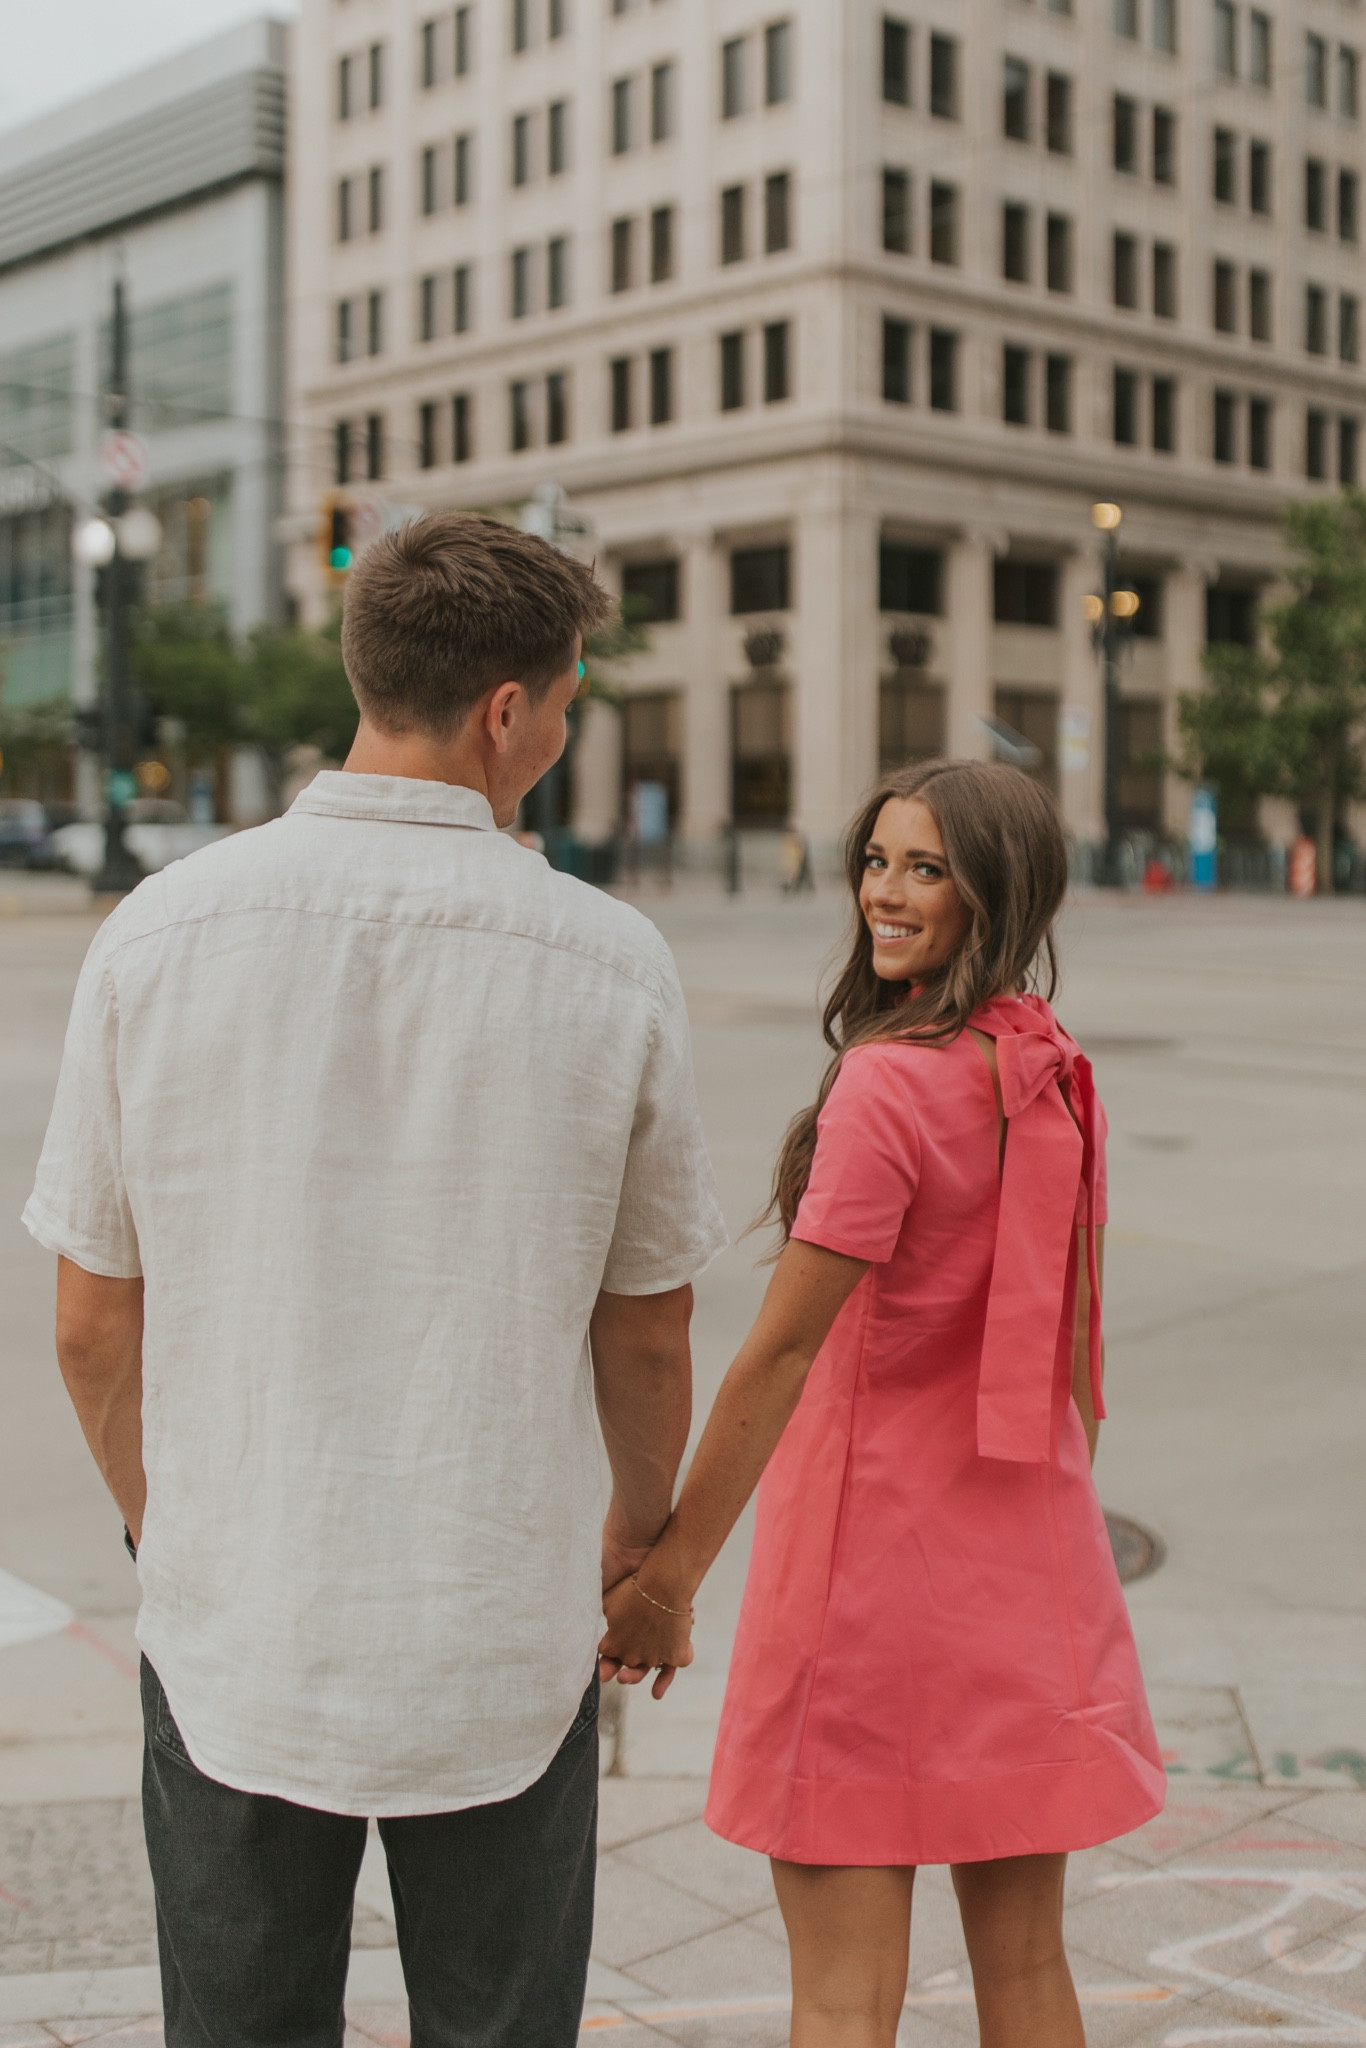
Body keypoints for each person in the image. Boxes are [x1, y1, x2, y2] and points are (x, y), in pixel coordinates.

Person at [25, 513, 726, 2048]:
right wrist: (636, 1537)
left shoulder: (161, 932)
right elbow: (648, 1330)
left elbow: (89, 1325)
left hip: (238, 1626)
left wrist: (167, 1521)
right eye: (563, 706)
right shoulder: (608, 959)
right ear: (504, 712)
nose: (557, 735)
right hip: (496, 1624)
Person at [600, 759, 1165, 2048]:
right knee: (1029, 1972)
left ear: (996, 893)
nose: (886, 895)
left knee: (845, 1999)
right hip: (1022, 1570)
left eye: (926, 869)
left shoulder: (891, 1084)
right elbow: (1067, 1358)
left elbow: (782, 1352)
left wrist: (669, 1576)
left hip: (864, 1586)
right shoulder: (1049, 1069)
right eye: (876, 861)